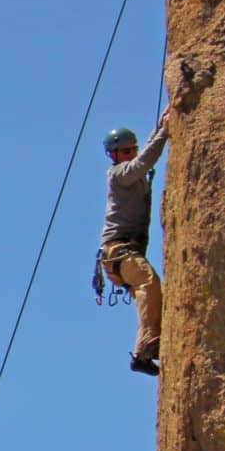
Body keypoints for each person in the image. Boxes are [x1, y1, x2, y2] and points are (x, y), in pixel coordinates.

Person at [101, 107, 171, 375]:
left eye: (133, 149)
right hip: (119, 251)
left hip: (123, 252)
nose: (131, 154)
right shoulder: (119, 174)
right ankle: (146, 348)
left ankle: (145, 351)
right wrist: (164, 131)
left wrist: (164, 118)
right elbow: (143, 163)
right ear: (114, 156)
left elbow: (143, 158)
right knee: (148, 283)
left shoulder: (132, 170)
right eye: (126, 151)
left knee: (147, 294)